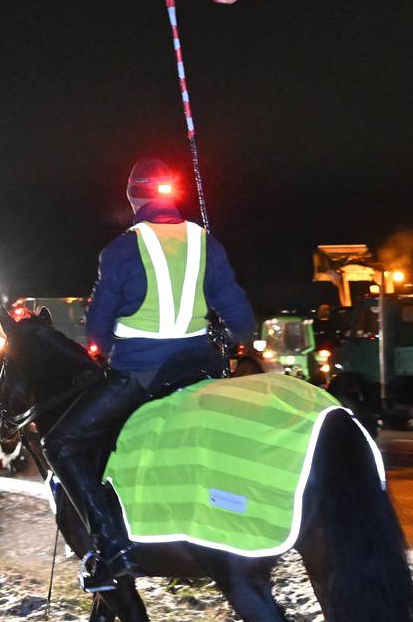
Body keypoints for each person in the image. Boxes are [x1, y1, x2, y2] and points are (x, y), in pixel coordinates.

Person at [43, 157, 256, 591]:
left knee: (61, 443)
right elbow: (242, 322)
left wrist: (99, 348)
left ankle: (110, 547)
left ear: (133, 197)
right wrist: (232, 335)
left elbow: (97, 330)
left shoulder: (120, 250)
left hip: (142, 375)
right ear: (173, 195)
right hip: (202, 369)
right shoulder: (206, 243)